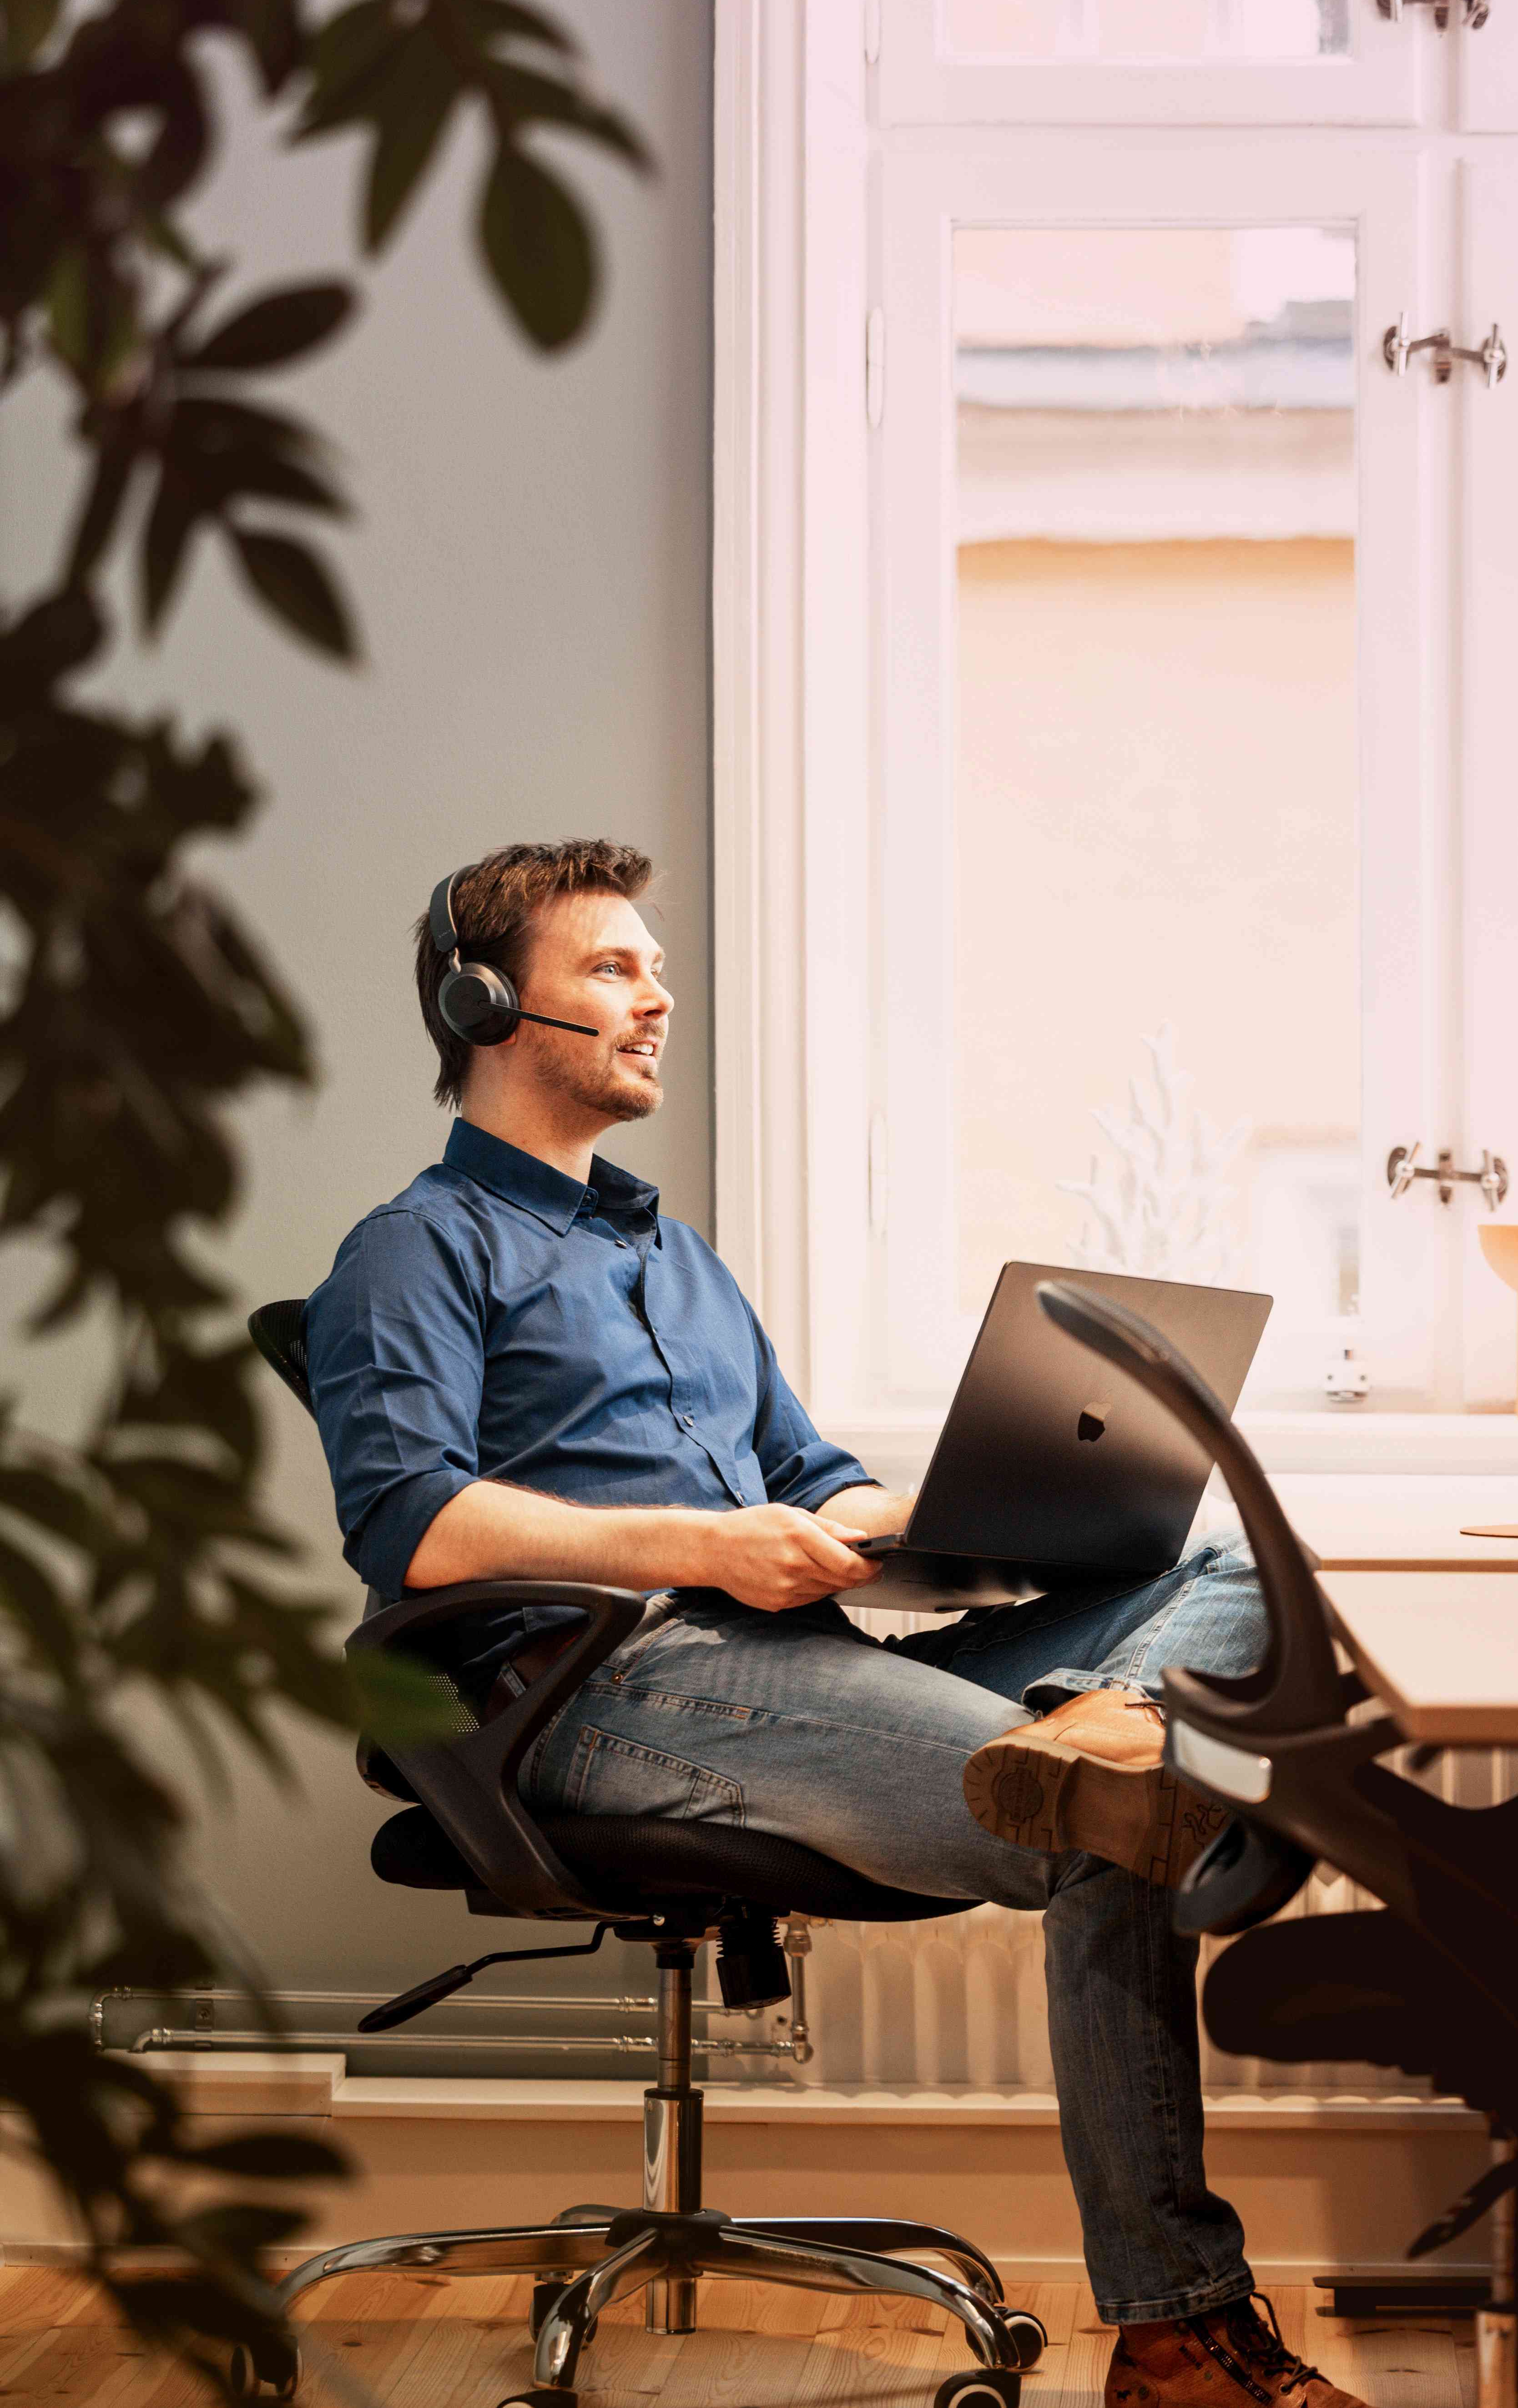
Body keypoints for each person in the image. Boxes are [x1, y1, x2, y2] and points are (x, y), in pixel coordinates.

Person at [306, 838, 1365, 2408]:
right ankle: (1173, 2330)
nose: (658, 997)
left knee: (1227, 1566)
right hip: (602, 1692)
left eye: (657, 967)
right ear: (479, 1002)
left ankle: (1114, 1717)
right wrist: (706, 1543)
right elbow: (409, 1518)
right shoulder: (416, 1247)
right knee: (1105, 1827)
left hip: (794, 1661)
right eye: (614, 967)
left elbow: (818, 1476)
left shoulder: (675, 1258)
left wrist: (955, 1525)